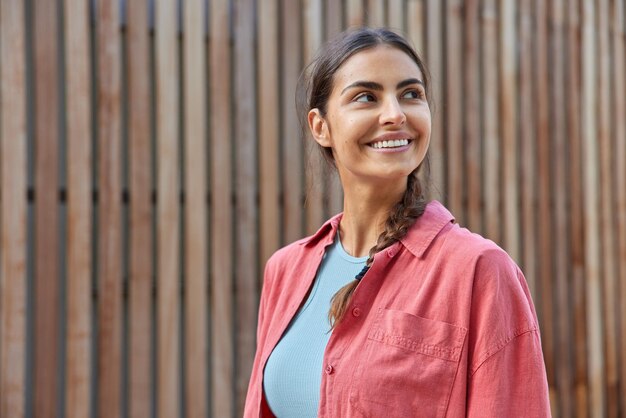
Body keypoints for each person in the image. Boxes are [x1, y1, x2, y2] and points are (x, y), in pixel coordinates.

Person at [244, 27, 551, 418]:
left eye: (411, 94)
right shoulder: (285, 271)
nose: (395, 114)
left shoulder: (479, 271)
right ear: (320, 127)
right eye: (366, 97)